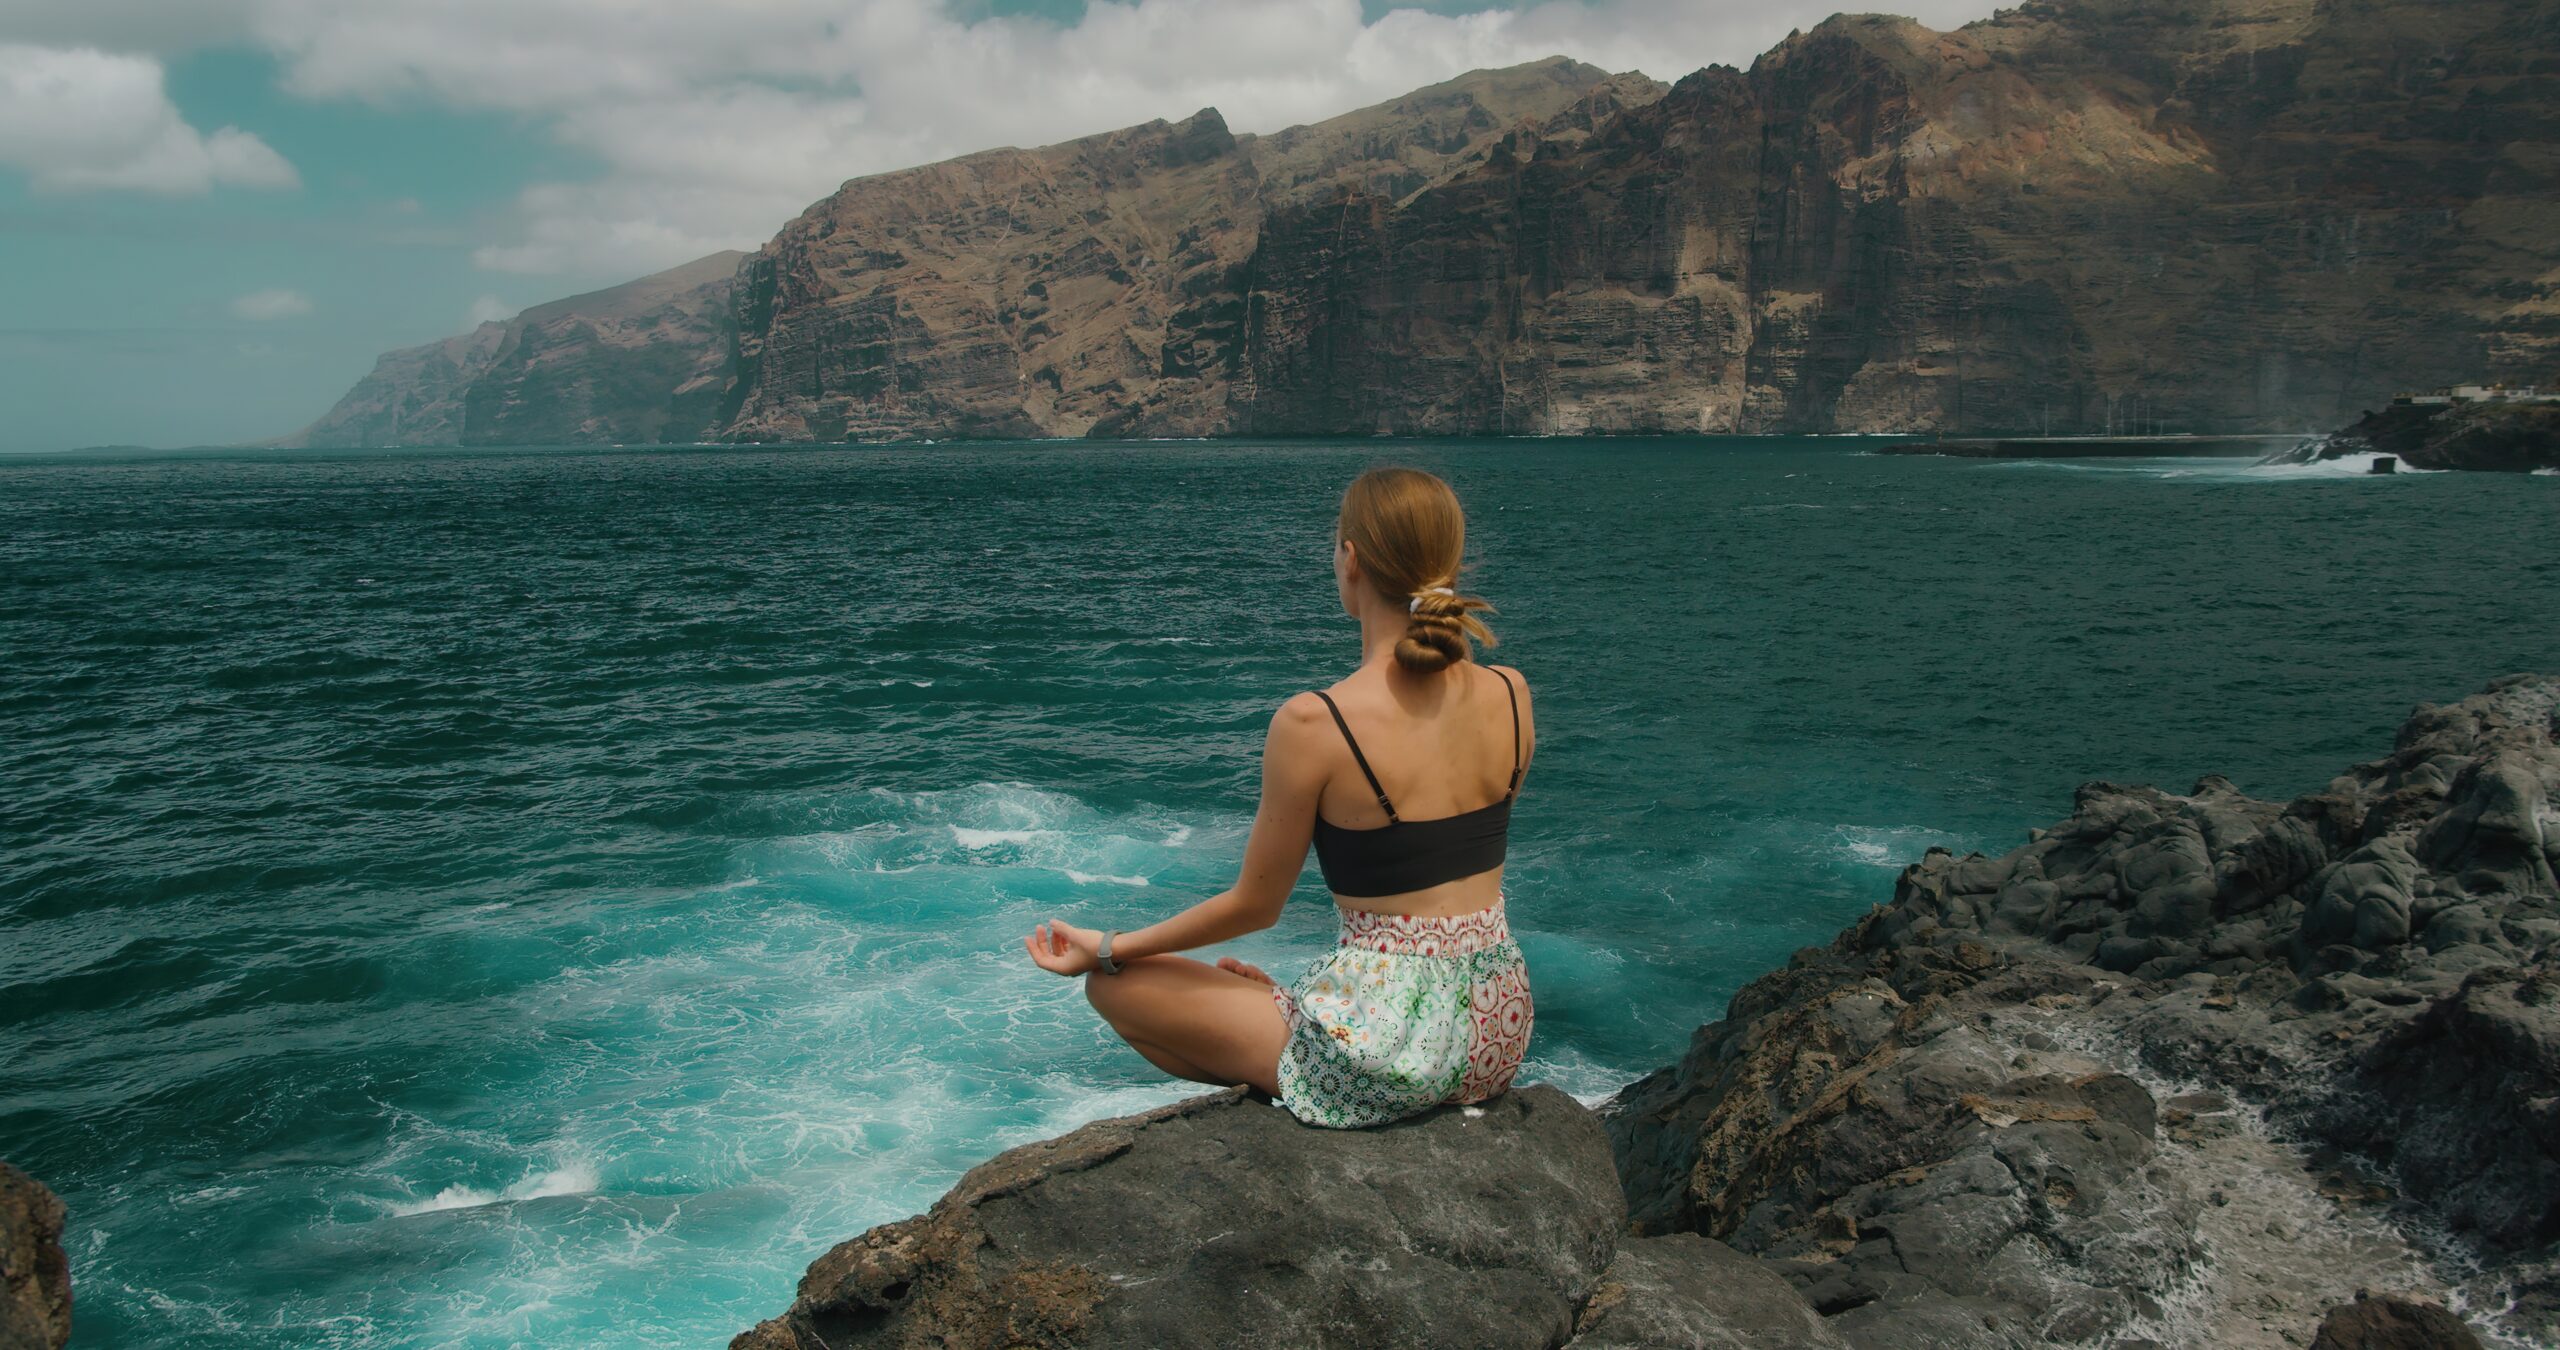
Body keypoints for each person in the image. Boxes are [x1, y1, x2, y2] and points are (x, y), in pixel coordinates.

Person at [1023, 466, 1535, 1128]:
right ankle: (1301, 1025)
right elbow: (1440, 894)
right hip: (1497, 1031)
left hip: (1386, 1050)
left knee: (1118, 987)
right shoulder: (1512, 694)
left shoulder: (1315, 723)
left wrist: (1109, 947)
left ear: (1349, 560)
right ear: (1452, 564)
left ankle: (1304, 1060)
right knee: (1264, 993)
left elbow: (1255, 906)